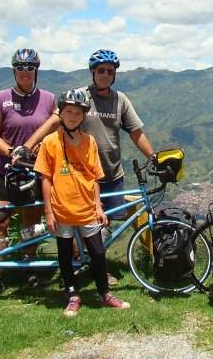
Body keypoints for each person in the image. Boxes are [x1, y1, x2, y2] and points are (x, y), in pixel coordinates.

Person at [25, 49, 156, 284]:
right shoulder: (80, 96)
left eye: (110, 71)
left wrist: (154, 157)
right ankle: (86, 265)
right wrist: (29, 145)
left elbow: (136, 133)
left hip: (112, 174)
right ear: (92, 72)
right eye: (101, 70)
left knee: (107, 223)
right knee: (78, 222)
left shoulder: (120, 100)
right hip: (80, 176)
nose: (105, 74)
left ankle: (91, 262)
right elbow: (56, 120)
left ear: (114, 74)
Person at [33, 89, 131, 316]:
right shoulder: (50, 142)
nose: (73, 116)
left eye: (78, 112)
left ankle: (105, 293)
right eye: (68, 111)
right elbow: (46, 179)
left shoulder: (90, 142)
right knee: (65, 254)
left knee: (97, 253)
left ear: (84, 115)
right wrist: (48, 211)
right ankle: (72, 294)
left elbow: (95, 177)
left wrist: (98, 205)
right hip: (61, 208)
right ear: (61, 113)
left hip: (86, 207)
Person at [0, 48, 55, 299]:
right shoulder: (1, 98)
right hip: (5, 171)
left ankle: (30, 271)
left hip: (35, 172)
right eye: (20, 67)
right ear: (14, 70)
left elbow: (53, 130)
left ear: (36, 70)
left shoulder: (48, 99)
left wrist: (39, 146)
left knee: (31, 223)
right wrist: (11, 150)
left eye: (29, 68)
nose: (25, 72)